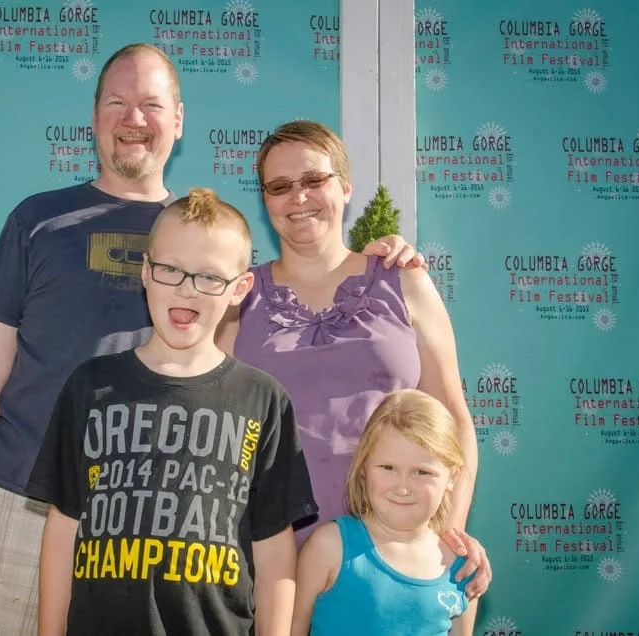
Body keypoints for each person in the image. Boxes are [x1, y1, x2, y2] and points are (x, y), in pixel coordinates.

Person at [0, 43, 419, 634]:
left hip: (169, 526)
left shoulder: (206, 233)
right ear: (94, 115)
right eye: (117, 102)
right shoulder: (37, 221)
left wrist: (373, 262)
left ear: (179, 120)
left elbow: (259, 344)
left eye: (152, 105)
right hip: (25, 505)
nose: (134, 118)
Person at [26, 188, 317, 635]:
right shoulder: (90, 386)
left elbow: (274, 548)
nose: (186, 288)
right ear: (145, 271)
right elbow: (64, 526)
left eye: (210, 277)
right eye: (170, 270)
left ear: (240, 288)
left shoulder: (264, 400)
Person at [220, 120, 490, 597]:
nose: (299, 197)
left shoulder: (404, 280)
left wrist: (445, 536)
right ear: (265, 201)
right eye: (280, 186)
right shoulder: (238, 298)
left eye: (314, 179)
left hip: (392, 559)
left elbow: (454, 420)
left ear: (345, 187)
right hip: (266, 562)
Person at [291, 389, 477, 635]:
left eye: (422, 472)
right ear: (364, 467)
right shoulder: (328, 547)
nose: (403, 487)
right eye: (388, 468)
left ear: (452, 477)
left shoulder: (463, 568)